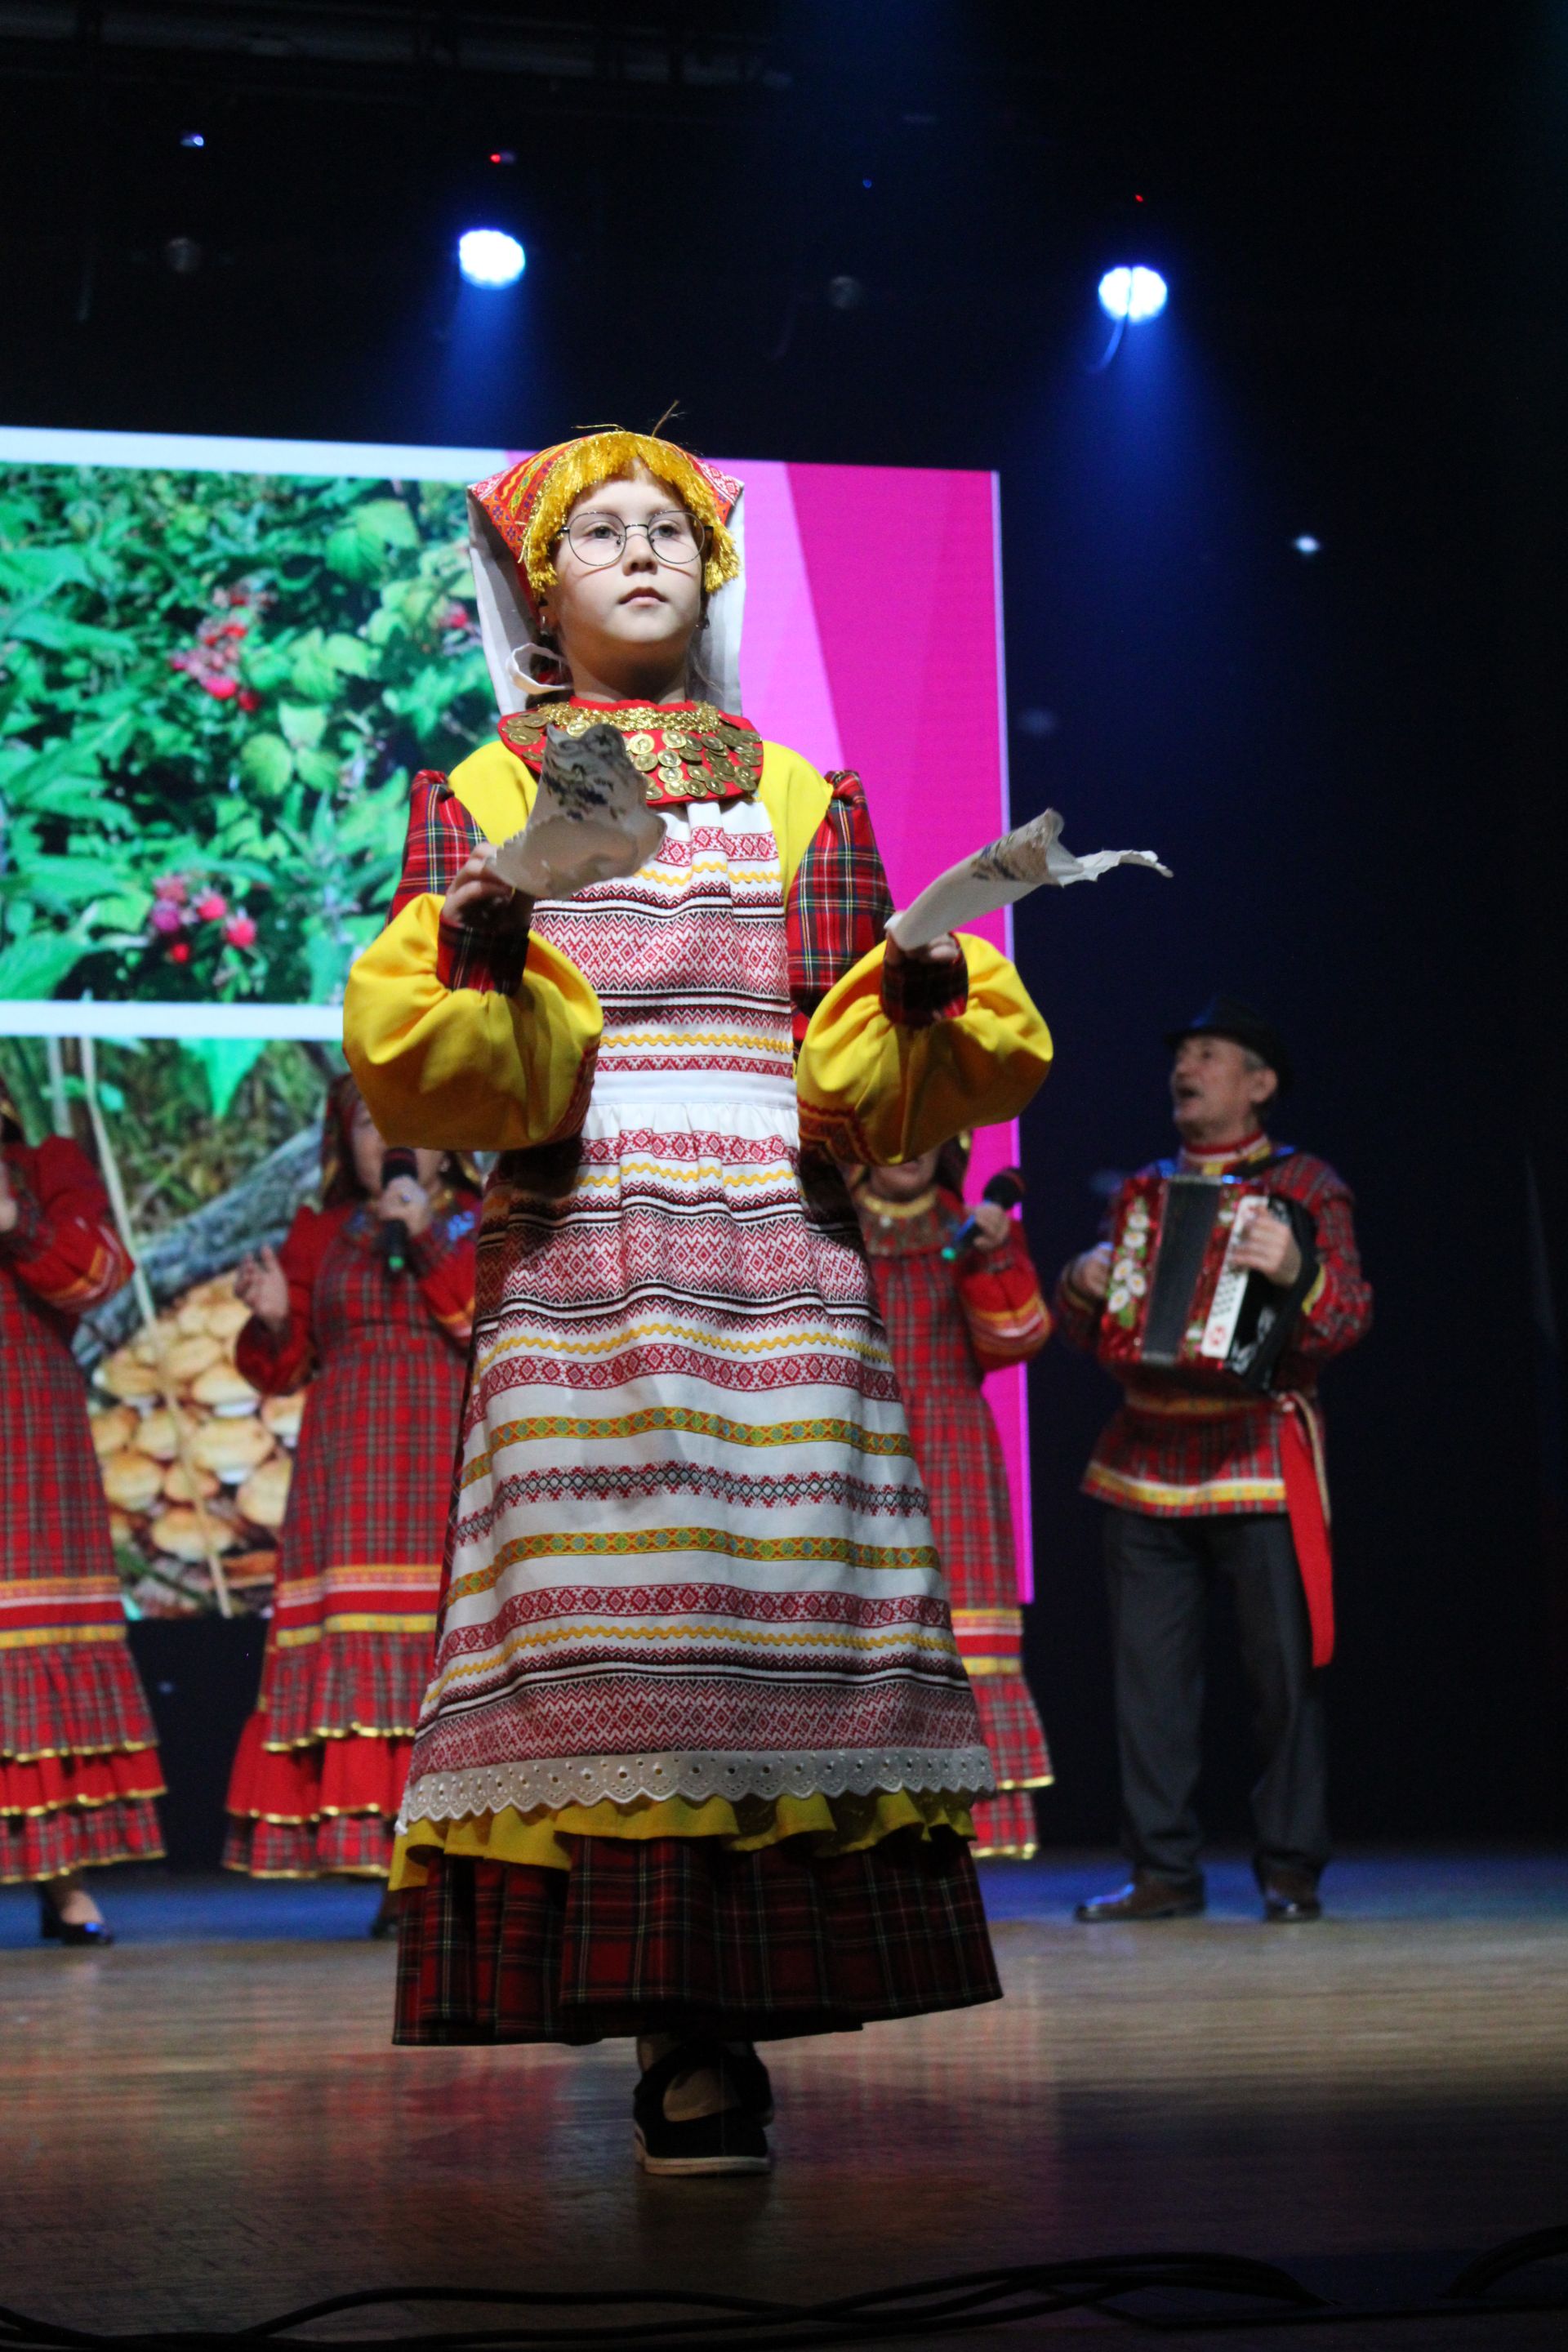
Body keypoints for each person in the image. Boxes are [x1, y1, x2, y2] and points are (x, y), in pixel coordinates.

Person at [344, 426, 1053, 2173]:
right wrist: (492, 932)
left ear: (714, 573)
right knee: (613, 1628)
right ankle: (669, 2020)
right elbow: (446, 1068)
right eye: (606, 534)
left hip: (781, 1254)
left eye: (673, 528)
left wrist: (924, 979)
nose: (645, 552)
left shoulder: (806, 790)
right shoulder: (481, 791)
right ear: (538, 586)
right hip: (579, 1237)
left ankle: (728, 2014)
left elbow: (849, 1059)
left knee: (772, 1615)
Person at [1054, 996, 1371, 1923]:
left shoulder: (1308, 1186)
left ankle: (1290, 1871)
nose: (1184, 1070)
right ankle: (1161, 1872)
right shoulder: (1145, 1191)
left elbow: (1346, 1317)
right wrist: (1080, 1286)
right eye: (1181, 1055)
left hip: (1258, 1456)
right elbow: (1103, 1335)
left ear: (1260, 1084)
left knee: (1283, 1681)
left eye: (1208, 1055)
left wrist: (1297, 1271)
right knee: (1148, 1688)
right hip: (1146, 1456)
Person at [222, 1075, 479, 1915]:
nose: (388, 1139)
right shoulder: (322, 1232)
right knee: (363, 1658)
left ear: (443, 1141)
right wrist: (268, 1320)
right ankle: (381, 1864)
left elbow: (485, 1321)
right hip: (347, 1471)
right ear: (346, 1143)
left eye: (406, 1122)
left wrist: (428, 1236)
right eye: (371, 1123)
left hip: (445, 1452)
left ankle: (450, 1857)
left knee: (446, 1649)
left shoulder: (481, 1218)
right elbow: (286, 1362)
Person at [853, 1144, 1054, 1857]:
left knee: (961, 1636)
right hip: (851, 1445)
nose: (905, 1149)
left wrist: (995, 1258)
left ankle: (969, 1830)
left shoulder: (971, 1228)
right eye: (889, 1132)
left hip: (950, 1450)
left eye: (924, 1130)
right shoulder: (830, 1221)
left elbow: (1019, 1338)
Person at [0, 1079, 165, 1944]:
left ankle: (63, 1880)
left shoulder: (44, 1166)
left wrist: (14, 1216)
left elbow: (101, 1274)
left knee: (30, 1650)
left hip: (24, 1423)